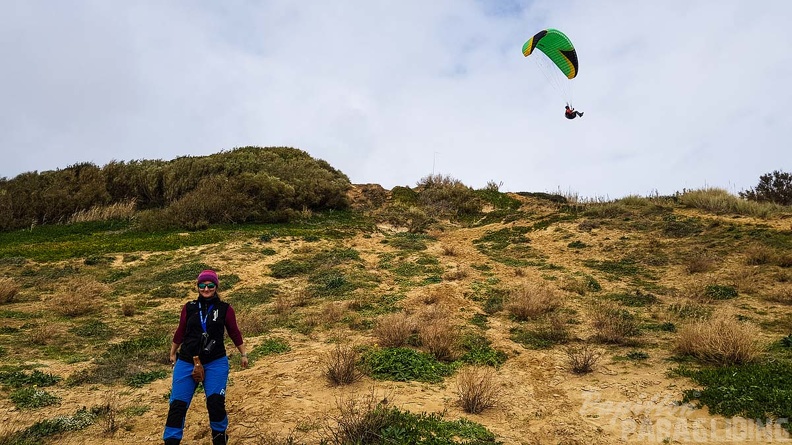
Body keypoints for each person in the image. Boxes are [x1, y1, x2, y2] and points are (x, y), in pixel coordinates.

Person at [163, 270, 248, 445]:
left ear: (216, 287)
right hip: (187, 360)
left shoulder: (225, 309)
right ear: (198, 287)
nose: (206, 288)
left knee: (215, 403)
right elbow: (180, 330)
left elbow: (234, 332)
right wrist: (173, 352)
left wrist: (243, 354)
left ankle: (219, 439)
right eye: (202, 285)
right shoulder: (189, 307)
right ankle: (171, 441)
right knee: (177, 405)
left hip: (215, 361)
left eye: (210, 285)